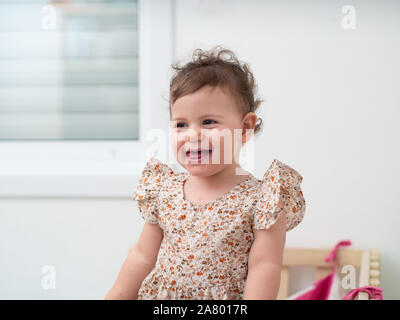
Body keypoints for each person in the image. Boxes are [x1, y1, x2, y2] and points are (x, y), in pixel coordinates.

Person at [105, 46, 306, 300]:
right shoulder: (165, 191)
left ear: (244, 128)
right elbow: (142, 256)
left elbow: (264, 267)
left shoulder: (262, 200)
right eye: (181, 124)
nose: (192, 135)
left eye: (208, 122)